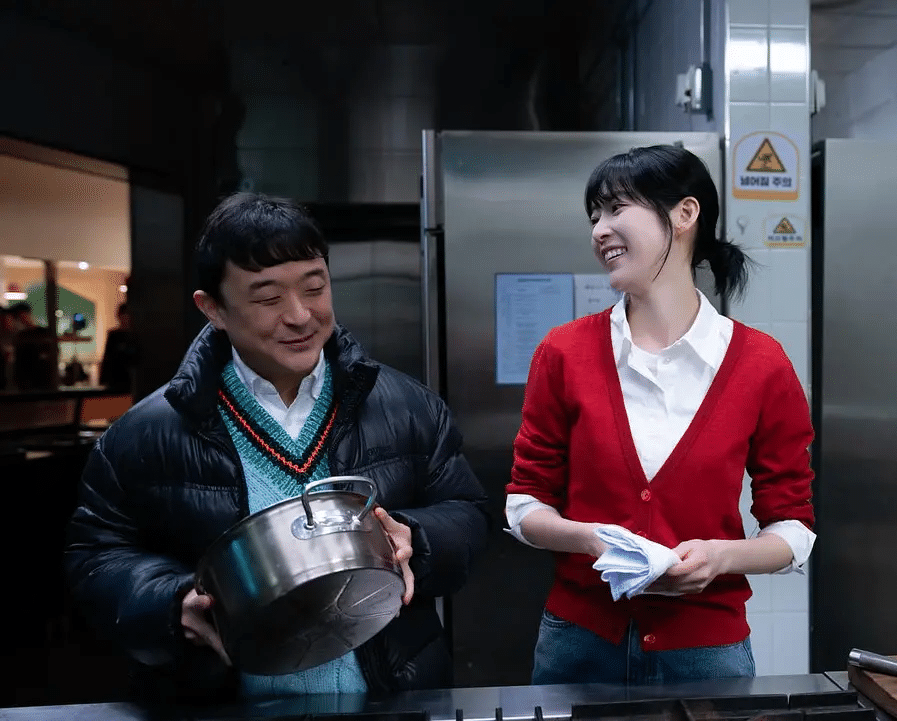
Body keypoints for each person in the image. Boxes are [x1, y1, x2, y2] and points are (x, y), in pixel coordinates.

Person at [65, 192, 491, 703]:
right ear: (213, 308)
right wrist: (171, 602)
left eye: (315, 288)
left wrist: (415, 538)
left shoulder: (410, 408)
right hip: (222, 707)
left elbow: (468, 514)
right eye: (268, 299)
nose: (300, 315)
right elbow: (95, 556)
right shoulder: (145, 433)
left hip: (392, 697)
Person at [505, 145, 816, 686]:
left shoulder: (761, 363)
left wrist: (721, 557)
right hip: (579, 642)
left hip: (707, 649)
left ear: (685, 213)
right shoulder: (563, 352)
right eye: (594, 216)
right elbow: (524, 505)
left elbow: (792, 528)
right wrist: (592, 540)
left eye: (616, 208)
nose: (599, 230)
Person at [98, 303, 138, 392]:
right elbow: (108, 359)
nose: (125, 319)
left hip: (127, 380)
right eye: (124, 316)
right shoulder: (114, 336)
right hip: (116, 379)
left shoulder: (134, 336)